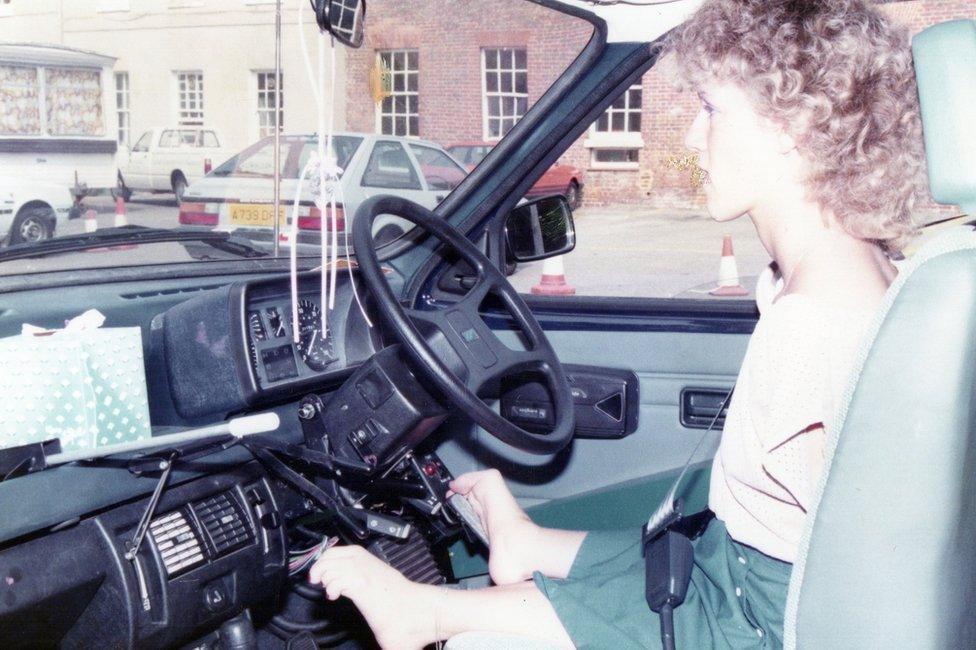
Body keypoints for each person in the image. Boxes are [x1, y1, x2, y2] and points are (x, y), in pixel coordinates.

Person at [307, 0, 927, 647]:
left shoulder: (816, 322)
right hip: (739, 563)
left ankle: (430, 615)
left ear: (792, 126)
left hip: (767, 612)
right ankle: (527, 544)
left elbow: (824, 587)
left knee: (517, 622)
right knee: (669, 552)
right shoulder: (849, 272)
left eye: (712, 109)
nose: (692, 136)